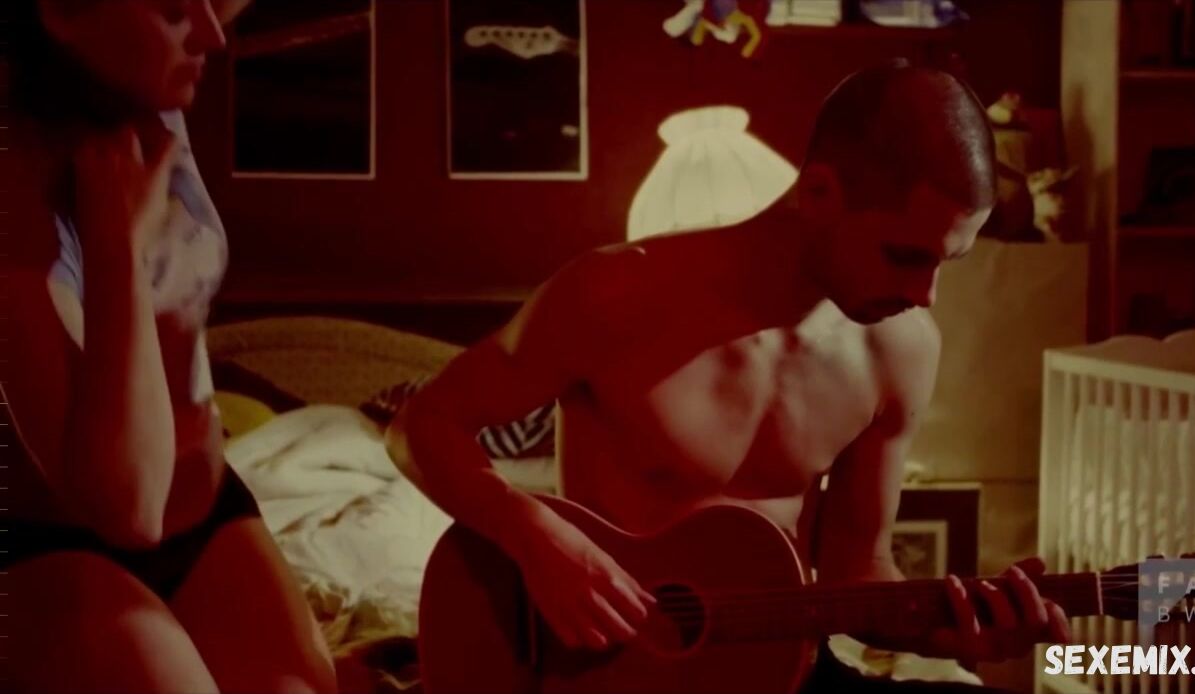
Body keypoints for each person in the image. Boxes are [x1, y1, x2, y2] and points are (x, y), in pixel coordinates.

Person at [390, 59, 1071, 692]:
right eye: (904, 256)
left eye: (946, 262)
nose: (925, 294)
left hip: (786, 676)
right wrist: (536, 539)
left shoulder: (904, 348)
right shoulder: (614, 294)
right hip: (613, 678)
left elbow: (857, 570)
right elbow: (421, 426)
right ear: (819, 191)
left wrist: (950, 631)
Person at [2, 1, 336, 692]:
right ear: (62, 12)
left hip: (204, 509)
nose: (213, 32)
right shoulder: (15, 185)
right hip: (61, 536)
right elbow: (127, 506)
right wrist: (116, 243)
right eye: (177, 9)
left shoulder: (139, 87)